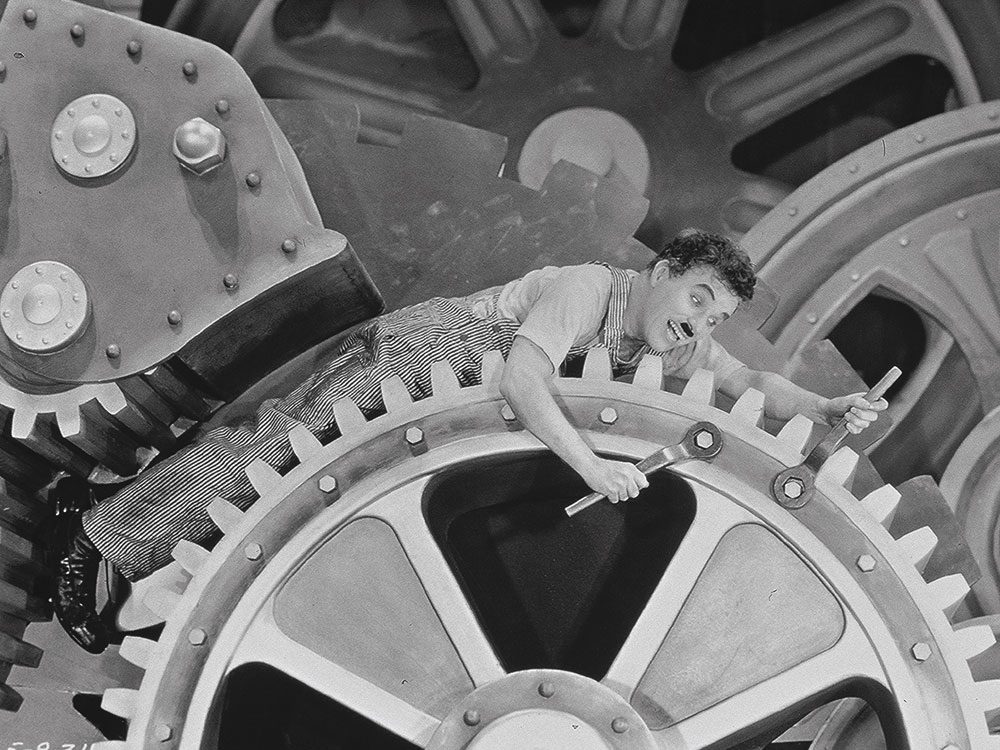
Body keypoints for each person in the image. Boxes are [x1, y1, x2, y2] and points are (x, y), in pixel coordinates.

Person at [51, 230, 886, 652]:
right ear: (663, 272)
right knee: (266, 459)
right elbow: (522, 379)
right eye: (698, 299)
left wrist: (826, 405)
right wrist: (593, 465)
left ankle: (130, 542)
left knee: (282, 501)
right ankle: (97, 536)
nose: (701, 325)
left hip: (439, 409)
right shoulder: (588, 290)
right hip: (419, 362)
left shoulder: (670, 341)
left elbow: (750, 380)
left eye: (717, 317)